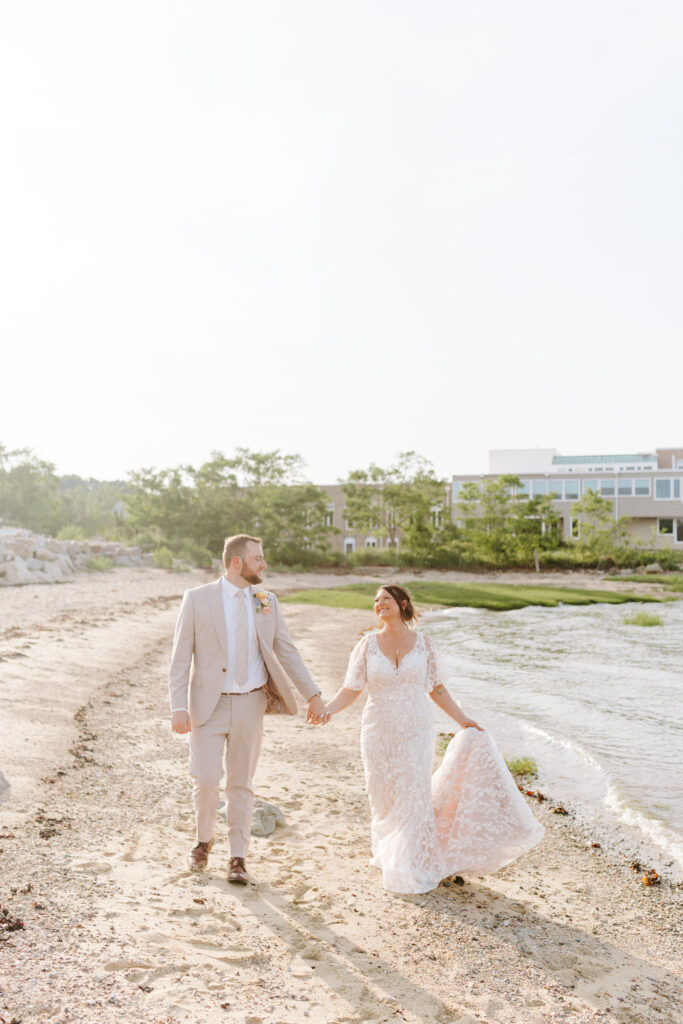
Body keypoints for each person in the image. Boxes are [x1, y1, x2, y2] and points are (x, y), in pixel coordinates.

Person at [323, 584, 544, 894]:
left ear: (401, 603)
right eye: (375, 601)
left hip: (416, 729)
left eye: (385, 598)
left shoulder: (424, 644)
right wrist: (327, 709)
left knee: (413, 792)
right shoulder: (366, 645)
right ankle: (388, 850)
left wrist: (464, 721)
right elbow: (351, 689)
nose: (379, 604)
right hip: (377, 731)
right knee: (382, 794)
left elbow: (437, 690)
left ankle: (410, 862)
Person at [169, 534, 328, 884]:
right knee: (206, 779)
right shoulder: (197, 599)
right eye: (258, 558)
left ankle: (238, 857)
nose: (264, 564)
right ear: (237, 562)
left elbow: (286, 651)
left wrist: (312, 694)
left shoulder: (265, 600)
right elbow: (181, 658)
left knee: (241, 784)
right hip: (205, 707)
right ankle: (203, 840)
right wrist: (177, 706)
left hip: (250, 704)